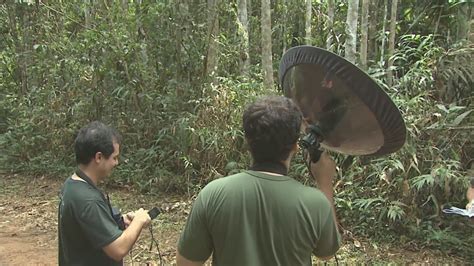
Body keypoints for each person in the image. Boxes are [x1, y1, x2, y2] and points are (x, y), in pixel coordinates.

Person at [176, 96, 341, 266]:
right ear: (295, 146)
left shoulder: (212, 194)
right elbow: (327, 253)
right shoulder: (315, 203)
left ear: (247, 141)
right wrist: (325, 184)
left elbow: (185, 263)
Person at [58, 121, 151, 265]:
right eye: (114, 157)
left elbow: (88, 227)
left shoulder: (72, 185)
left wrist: (120, 221)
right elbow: (118, 249)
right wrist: (139, 220)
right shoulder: (88, 200)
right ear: (99, 157)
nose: (116, 163)